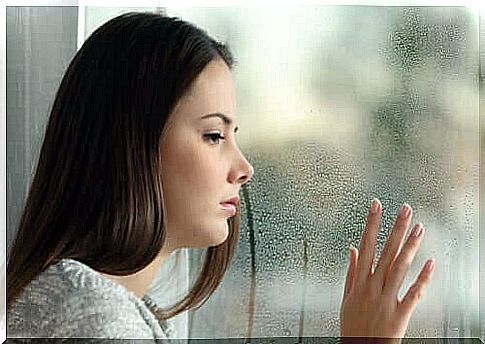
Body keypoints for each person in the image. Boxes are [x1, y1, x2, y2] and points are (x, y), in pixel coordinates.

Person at [6, 11, 435, 342]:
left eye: (234, 136)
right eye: (214, 135)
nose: (244, 169)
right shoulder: (93, 318)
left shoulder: (96, 307)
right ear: (130, 142)